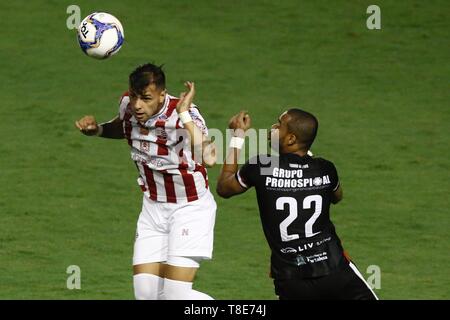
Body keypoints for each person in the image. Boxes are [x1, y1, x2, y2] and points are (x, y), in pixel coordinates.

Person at [75, 63, 217, 300]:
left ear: (162, 94)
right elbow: (124, 127)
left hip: (189, 208)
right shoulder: (128, 107)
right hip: (152, 210)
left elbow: (211, 158)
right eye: (133, 96)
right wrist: (97, 130)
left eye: (146, 98)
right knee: (147, 296)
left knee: (174, 296)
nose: (137, 105)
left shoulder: (183, 114)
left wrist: (183, 112)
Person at [216, 109, 378, 300]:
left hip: (291, 278)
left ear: (291, 139)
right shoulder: (325, 168)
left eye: (279, 125)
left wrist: (237, 136)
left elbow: (224, 187)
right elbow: (337, 196)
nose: (273, 128)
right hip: (334, 270)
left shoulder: (262, 166)